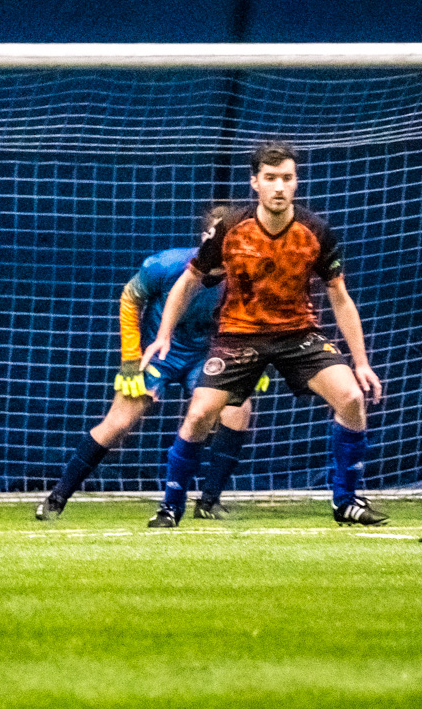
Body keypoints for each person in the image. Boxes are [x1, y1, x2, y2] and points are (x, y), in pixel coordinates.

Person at [139, 142, 383, 528]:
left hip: (298, 333)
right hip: (239, 335)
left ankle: (346, 501)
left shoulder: (315, 231)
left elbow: (340, 297)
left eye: (286, 178)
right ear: (255, 182)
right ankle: (171, 506)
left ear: (296, 182)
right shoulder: (230, 229)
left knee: (352, 397)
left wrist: (362, 362)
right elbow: (189, 280)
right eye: (270, 178)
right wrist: (164, 334)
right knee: (199, 414)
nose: (279, 187)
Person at [36, 217, 263, 521]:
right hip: (158, 355)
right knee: (118, 422)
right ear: (205, 237)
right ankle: (56, 498)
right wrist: (130, 359)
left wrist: (251, 361)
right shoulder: (167, 264)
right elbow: (130, 298)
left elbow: (252, 319)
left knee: (239, 409)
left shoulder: (245, 276)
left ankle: (209, 502)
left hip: (205, 356)